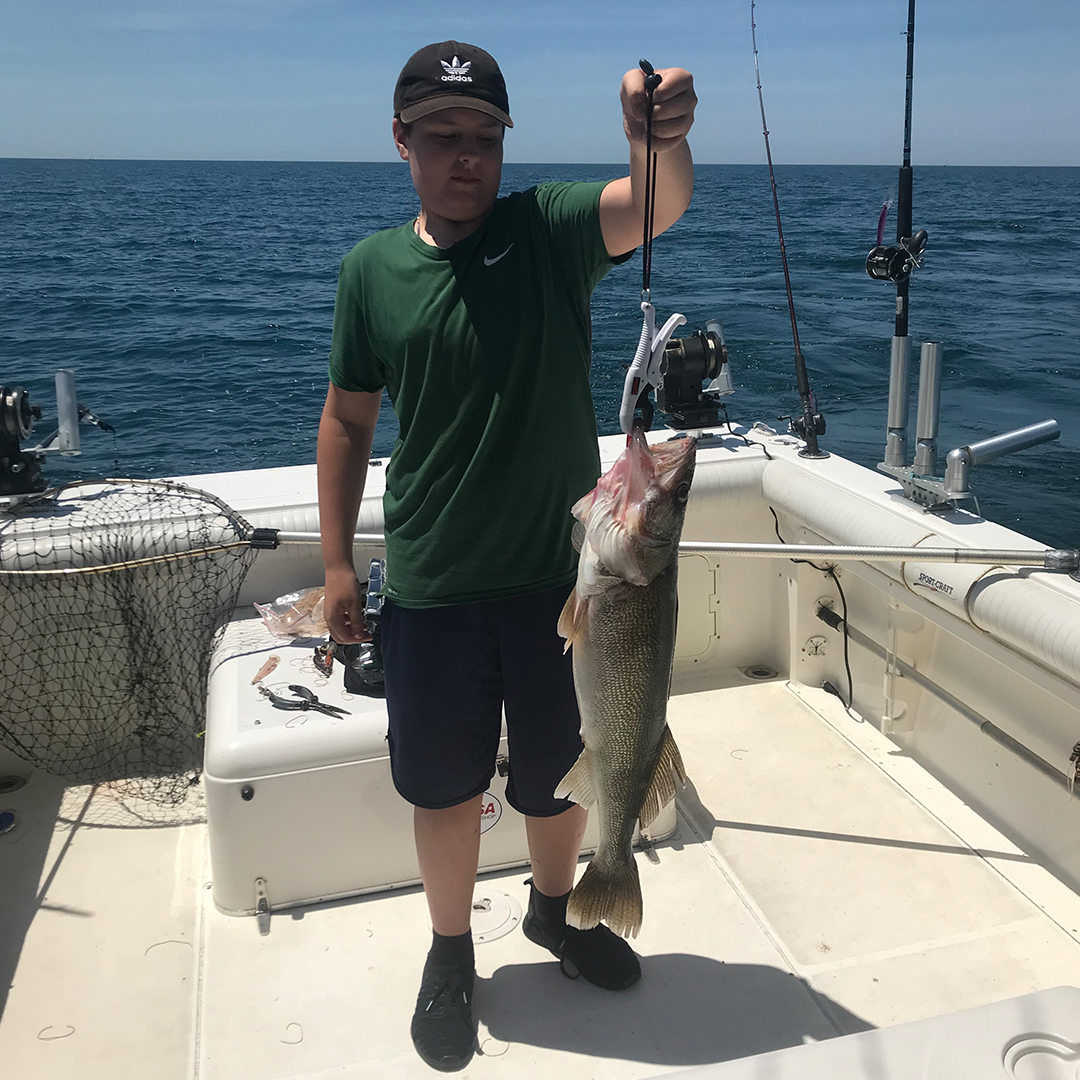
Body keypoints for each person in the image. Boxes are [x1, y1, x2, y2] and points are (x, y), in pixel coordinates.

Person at [317, 40, 696, 1072]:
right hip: (434, 581)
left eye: (485, 138)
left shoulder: (548, 231)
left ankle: (554, 913)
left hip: (557, 582)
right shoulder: (371, 272)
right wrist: (340, 562)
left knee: (557, 781)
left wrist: (657, 134)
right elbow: (348, 421)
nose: (467, 157)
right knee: (442, 791)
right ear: (402, 142)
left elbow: (653, 206)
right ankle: (450, 955)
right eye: (443, 138)